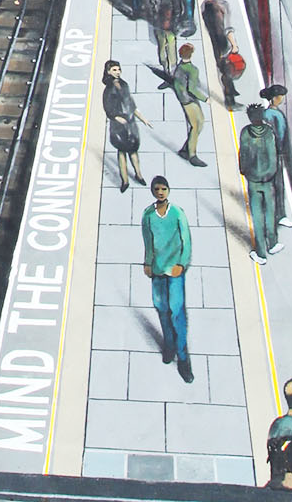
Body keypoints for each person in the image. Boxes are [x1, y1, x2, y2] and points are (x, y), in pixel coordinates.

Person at [140, 175, 194, 379]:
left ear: (168, 190)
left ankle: (183, 358)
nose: (160, 192)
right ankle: (169, 346)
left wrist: (181, 263)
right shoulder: (148, 215)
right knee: (161, 308)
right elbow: (147, 240)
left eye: (163, 189)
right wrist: (147, 262)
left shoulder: (178, 213)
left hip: (174, 271)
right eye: (157, 189)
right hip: (157, 270)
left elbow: (186, 240)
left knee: (177, 312)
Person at [240, 101, 282, 262]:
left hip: (252, 179)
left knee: (257, 215)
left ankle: (261, 252)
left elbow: (243, 155)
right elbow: (273, 156)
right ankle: (273, 243)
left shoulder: (245, 133)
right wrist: (270, 174)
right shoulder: (269, 133)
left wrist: (245, 171)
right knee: (270, 211)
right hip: (268, 179)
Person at [103, 60, 148, 190]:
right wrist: (116, 117)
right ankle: (125, 180)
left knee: (133, 150)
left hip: (130, 122)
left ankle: (139, 175)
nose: (117, 72)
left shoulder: (124, 85)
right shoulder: (108, 89)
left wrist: (142, 118)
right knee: (122, 151)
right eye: (114, 70)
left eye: (118, 69)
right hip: (118, 125)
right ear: (108, 72)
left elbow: (130, 102)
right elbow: (107, 107)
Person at [201, 0, 242, 104]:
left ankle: (232, 90)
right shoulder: (224, 5)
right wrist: (234, 44)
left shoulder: (205, 3)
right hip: (223, 41)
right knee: (227, 69)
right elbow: (228, 28)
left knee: (221, 65)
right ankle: (230, 100)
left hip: (214, 40)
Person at [258, 82, 292, 228]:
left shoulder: (269, 113)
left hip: (272, 153)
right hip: (274, 153)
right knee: (277, 184)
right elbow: (277, 135)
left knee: (274, 184)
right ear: (274, 98)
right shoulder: (272, 115)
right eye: (280, 97)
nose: (282, 100)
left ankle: (274, 212)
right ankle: (278, 215)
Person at [172, 43, 207, 167]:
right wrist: (205, 99)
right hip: (189, 99)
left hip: (184, 98)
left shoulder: (179, 67)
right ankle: (192, 155)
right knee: (196, 125)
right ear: (191, 54)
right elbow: (192, 88)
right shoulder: (192, 69)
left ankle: (185, 149)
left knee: (200, 122)